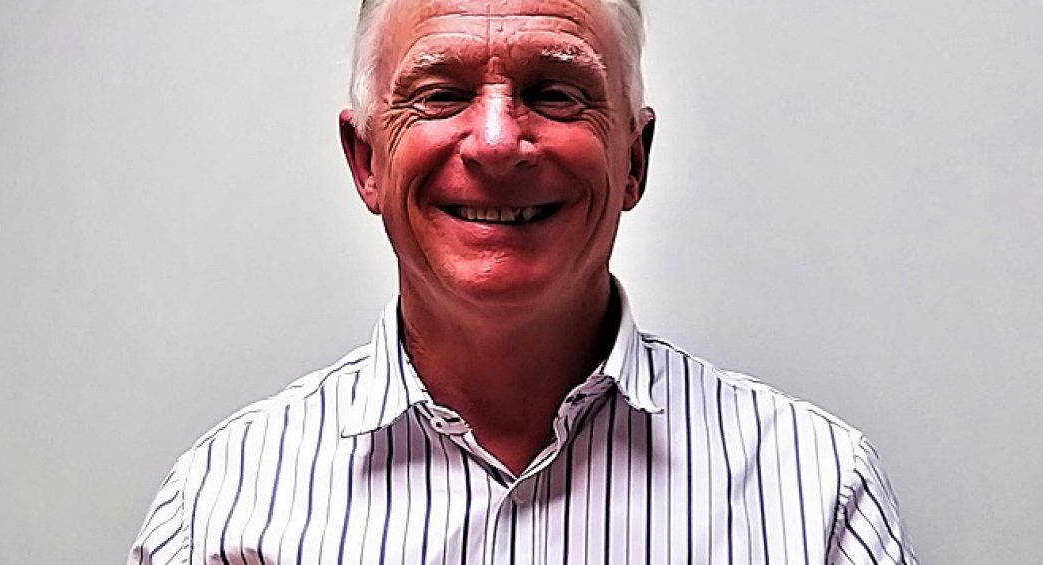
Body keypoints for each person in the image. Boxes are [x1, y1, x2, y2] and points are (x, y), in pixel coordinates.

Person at [128, 0, 916, 563]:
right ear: (366, 160)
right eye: (440, 94)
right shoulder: (223, 506)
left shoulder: (815, 493)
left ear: (633, 160)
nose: (499, 142)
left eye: (555, 92)